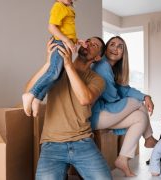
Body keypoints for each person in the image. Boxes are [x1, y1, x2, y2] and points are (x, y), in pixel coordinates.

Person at [25, 37, 113, 179]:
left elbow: (85, 99)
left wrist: (68, 65)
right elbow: (29, 90)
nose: (88, 44)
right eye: (88, 41)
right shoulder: (55, 72)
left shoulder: (97, 80)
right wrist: (48, 63)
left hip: (83, 142)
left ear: (97, 57)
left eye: (94, 45)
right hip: (52, 144)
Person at [90, 36, 157, 177]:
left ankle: (122, 159)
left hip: (105, 114)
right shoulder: (102, 66)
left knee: (140, 117)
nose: (115, 48)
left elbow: (125, 89)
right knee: (136, 103)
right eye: (112, 44)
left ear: (123, 54)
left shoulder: (111, 69)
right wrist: (139, 99)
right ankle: (149, 138)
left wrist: (146, 96)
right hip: (94, 115)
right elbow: (112, 97)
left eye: (120, 46)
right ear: (106, 48)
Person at [22, 0, 85, 117]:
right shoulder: (59, 6)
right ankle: (31, 94)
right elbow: (51, 27)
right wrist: (66, 40)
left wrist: (75, 40)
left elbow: (67, 30)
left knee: (58, 76)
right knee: (53, 73)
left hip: (65, 42)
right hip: (60, 43)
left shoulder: (68, 8)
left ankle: (37, 98)